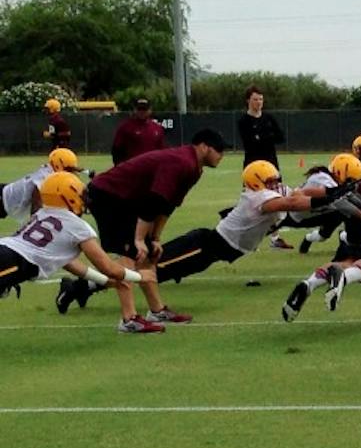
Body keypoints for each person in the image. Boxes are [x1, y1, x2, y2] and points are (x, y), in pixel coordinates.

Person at [56, 160, 361, 310]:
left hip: (214, 249)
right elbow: (295, 202)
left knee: (150, 274)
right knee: (146, 273)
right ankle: (79, 288)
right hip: (207, 246)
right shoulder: (258, 199)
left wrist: (335, 190)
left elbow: (304, 191)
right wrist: (330, 198)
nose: (277, 183)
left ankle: (83, 288)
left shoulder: (265, 192)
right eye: (271, 179)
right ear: (257, 182)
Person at [77, 128, 227, 331]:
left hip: (127, 200)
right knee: (129, 253)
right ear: (203, 146)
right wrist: (139, 238)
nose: (221, 156)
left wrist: (155, 237)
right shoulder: (182, 162)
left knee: (149, 254)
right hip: (108, 196)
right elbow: (154, 200)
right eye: (219, 150)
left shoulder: (194, 168)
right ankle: (128, 319)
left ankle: (156, 311)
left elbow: (168, 205)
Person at [0, 172, 151, 300]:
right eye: (80, 195)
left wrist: (104, 281)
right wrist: (140, 276)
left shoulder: (42, 214)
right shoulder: (77, 227)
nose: (83, 199)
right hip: (11, 261)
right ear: (68, 196)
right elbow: (109, 267)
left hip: (7, 251)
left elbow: (68, 262)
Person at [237, 84, 292, 248]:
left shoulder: (269, 119)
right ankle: (244, 235)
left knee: (276, 199)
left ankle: (275, 238)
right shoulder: (243, 121)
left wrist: (263, 137)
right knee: (251, 202)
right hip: (253, 167)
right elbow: (251, 142)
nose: (259, 102)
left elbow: (280, 137)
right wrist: (265, 137)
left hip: (271, 165)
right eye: (255, 99)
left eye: (261, 99)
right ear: (248, 101)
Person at [3, 148, 84, 223]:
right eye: (69, 169)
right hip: (2, 199)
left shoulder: (49, 171)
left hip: (5, 195)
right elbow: (36, 205)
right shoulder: (44, 178)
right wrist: (34, 224)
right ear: (58, 165)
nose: (70, 173)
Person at [111, 98, 167, 166]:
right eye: (139, 109)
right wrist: (119, 165)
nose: (142, 112)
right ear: (135, 110)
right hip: (132, 167)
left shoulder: (157, 128)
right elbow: (116, 149)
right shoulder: (126, 127)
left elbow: (162, 151)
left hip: (152, 167)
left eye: (144, 109)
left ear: (150, 110)